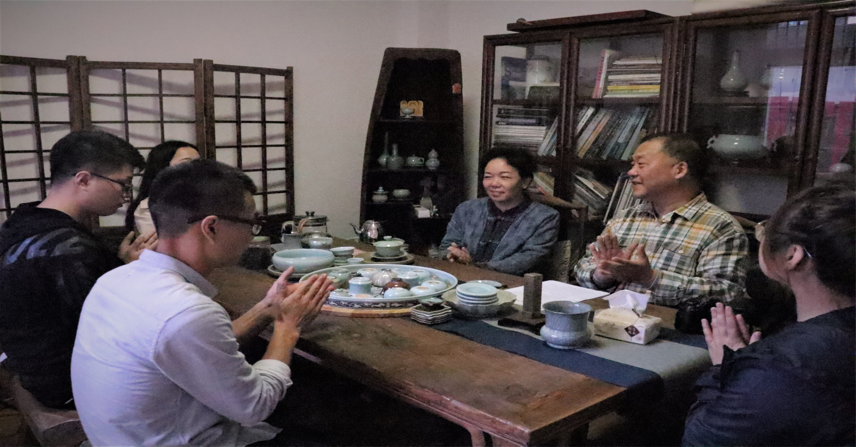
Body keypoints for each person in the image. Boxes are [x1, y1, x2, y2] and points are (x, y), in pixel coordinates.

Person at [71, 159, 334, 446]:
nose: (252, 235)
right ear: (211, 227)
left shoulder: (115, 280)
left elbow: (196, 344)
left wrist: (266, 307)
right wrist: (287, 327)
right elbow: (255, 407)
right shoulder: (187, 311)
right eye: (251, 223)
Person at [682, 178, 856, 446]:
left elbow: (700, 440)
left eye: (764, 230)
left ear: (793, 256)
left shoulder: (780, 369)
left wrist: (724, 369)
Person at [0, 130, 154, 409]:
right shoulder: (68, 248)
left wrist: (120, 263)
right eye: (123, 184)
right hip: (66, 383)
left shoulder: (23, 221)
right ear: (83, 180)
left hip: (27, 365)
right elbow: (105, 325)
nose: (125, 195)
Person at [573, 134, 748, 307]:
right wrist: (602, 275)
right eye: (633, 165)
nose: (631, 172)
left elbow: (728, 294)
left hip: (668, 323)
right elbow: (583, 267)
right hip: (607, 317)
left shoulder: (720, 227)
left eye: (641, 164)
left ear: (679, 170)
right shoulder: (624, 218)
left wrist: (651, 278)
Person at [439, 147, 559, 276]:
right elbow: (448, 244)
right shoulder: (467, 209)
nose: (494, 183)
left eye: (504, 177)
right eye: (488, 177)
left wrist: (475, 267)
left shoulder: (545, 217)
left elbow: (527, 259)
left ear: (525, 182)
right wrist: (453, 255)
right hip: (462, 278)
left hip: (512, 283)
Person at [125, 140, 200, 235]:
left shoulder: (205, 199)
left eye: (198, 163)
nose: (196, 169)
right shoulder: (147, 209)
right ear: (163, 168)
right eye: (186, 163)